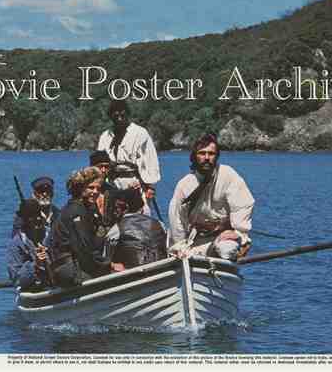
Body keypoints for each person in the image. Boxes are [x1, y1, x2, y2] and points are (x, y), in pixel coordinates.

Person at [168, 133, 254, 261]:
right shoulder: (184, 185)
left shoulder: (228, 175)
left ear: (217, 156)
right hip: (194, 240)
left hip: (224, 238)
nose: (207, 157)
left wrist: (238, 232)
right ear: (194, 156)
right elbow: (177, 220)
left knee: (227, 250)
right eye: (202, 153)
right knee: (182, 254)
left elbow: (243, 205)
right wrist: (180, 247)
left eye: (211, 154)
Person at [48, 167, 124, 288]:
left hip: (73, 266)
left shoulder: (82, 208)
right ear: (80, 187)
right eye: (91, 187)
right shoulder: (76, 212)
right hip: (71, 271)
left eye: (98, 188)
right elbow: (84, 249)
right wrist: (110, 265)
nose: (95, 192)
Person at [97, 100, 161, 210]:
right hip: (112, 184)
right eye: (116, 116)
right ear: (111, 116)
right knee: (113, 215)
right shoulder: (105, 136)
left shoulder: (140, 133)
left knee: (140, 215)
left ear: (127, 114)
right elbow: (98, 162)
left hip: (135, 183)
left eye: (122, 115)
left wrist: (150, 186)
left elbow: (150, 160)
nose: (119, 118)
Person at [104, 188, 168, 269]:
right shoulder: (160, 224)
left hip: (133, 274)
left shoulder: (116, 229)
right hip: (162, 269)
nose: (115, 211)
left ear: (124, 208)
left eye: (117, 207)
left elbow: (106, 257)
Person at [7, 198, 51, 291]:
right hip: (35, 288)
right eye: (32, 217)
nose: (37, 219)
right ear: (25, 220)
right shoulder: (16, 244)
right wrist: (36, 265)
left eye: (38, 215)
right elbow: (17, 280)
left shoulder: (52, 234)